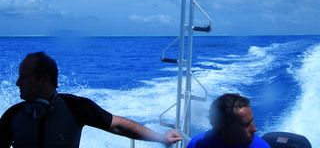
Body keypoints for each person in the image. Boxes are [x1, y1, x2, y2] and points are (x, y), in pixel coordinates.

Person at [0, 51, 181, 148]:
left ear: (45, 79)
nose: (17, 83)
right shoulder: (12, 115)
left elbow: (117, 124)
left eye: (24, 78)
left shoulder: (75, 107)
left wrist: (160, 137)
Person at [186, 93, 270, 148]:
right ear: (223, 127)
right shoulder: (196, 145)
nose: (254, 129)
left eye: (252, 121)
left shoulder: (260, 146)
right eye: (246, 124)